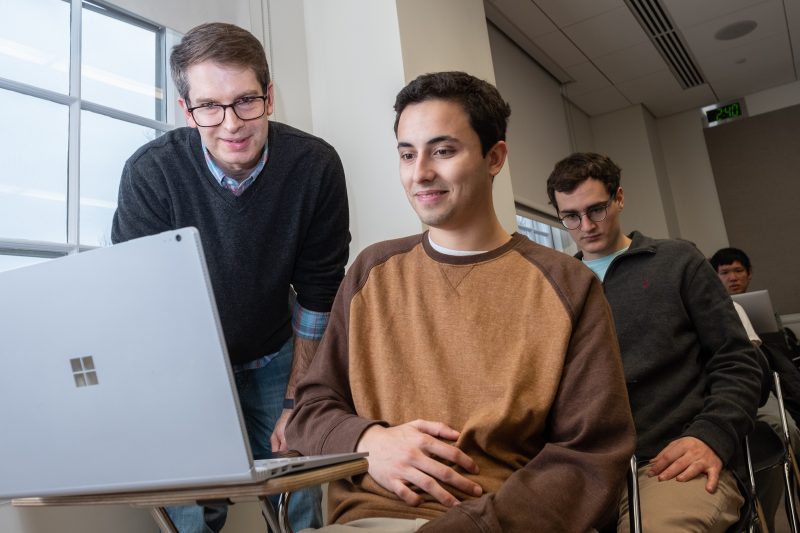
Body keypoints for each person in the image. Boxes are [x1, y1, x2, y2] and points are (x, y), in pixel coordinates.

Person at [285, 72, 635, 532]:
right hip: (366, 522)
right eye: (407, 154)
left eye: (443, 151)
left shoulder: (567, 284)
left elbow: (590, 455)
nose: (420, 172)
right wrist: (369, 440)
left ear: (495, 158)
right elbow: (310, 411)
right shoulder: (371, 272)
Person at [111, 22, 350, 532]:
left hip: (277, 352)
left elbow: (318, 296)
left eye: (246, 101)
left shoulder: (315, 167)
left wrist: (297, 401)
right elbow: (143, 303)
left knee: (299, 495)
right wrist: (183, 402)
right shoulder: (151, 174)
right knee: (194, 511)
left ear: (269, 95)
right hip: (190, 363)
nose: (231, 124)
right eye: (209, 107)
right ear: (186, 110)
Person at [546, 152, 762, 532]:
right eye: (571, 217)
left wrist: (711, 436)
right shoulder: (557, 284)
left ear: (620, 198)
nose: (586, 226)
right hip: (584, 469)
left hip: (671, 458)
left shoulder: (676, 261)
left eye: (597, 210)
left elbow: (737, 361)